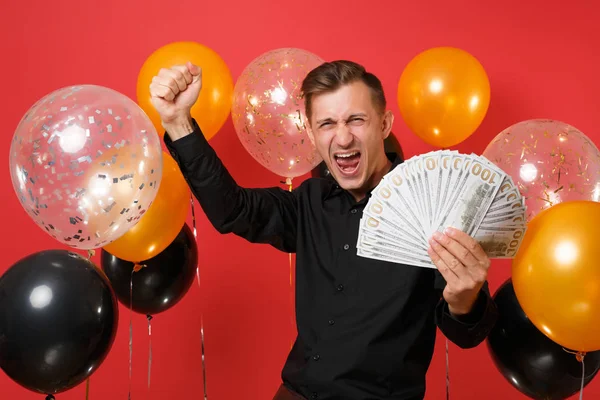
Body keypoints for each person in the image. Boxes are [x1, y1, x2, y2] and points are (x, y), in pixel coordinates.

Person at [150, 59, 498, 400]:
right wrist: (178, 122)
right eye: (327, 123)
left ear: (384, 124)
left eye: (356, 120)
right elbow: (233, 210)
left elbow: (466, 333)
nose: (343, 137)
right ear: (312, 132)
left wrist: (466, 300)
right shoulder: (309, 201)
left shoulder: (434, 208)